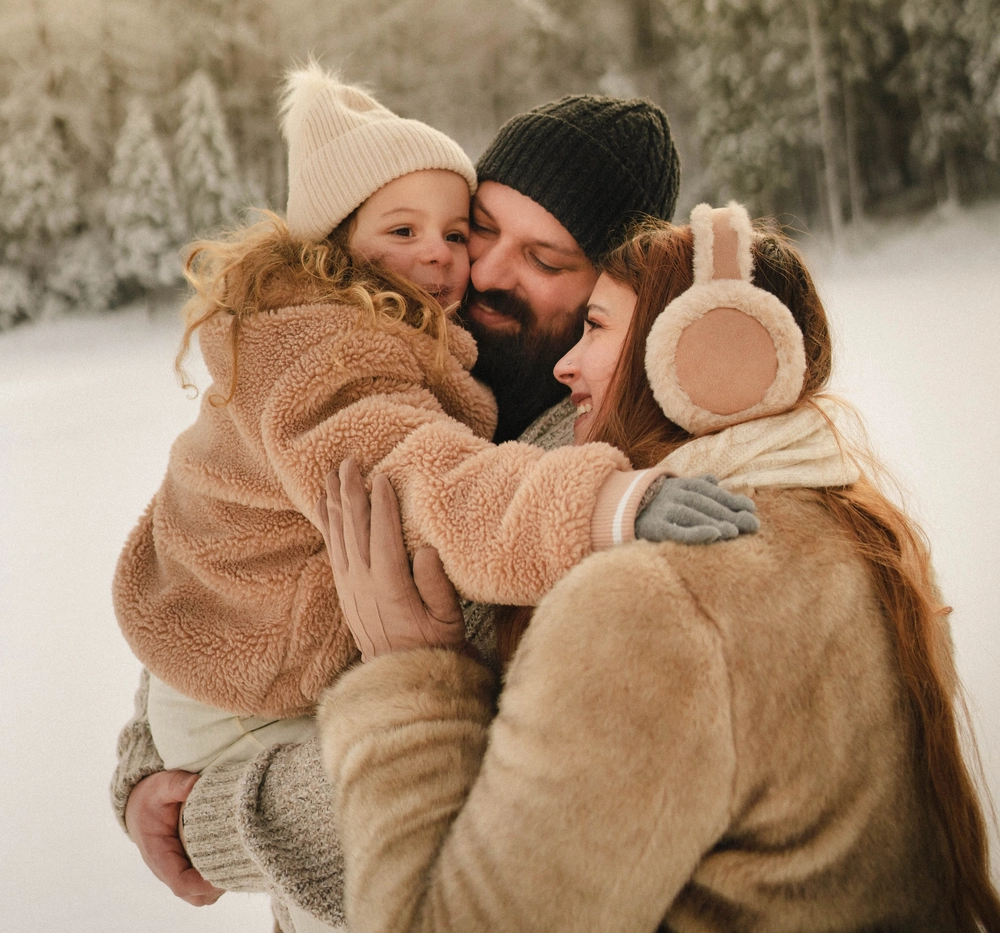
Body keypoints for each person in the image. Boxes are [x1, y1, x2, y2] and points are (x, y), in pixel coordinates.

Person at [112, 83, 753, 930]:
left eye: (545, 260)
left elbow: (505, 809)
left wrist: (207, 821)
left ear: (613, 292)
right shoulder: (384, 343)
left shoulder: (619, 458)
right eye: (481, 228)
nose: (478, 269)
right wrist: (144, 765)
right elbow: (218, 546)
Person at [317, 205, 1000, 933]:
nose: (565, 364)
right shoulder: (864, 540)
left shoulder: (657, 605)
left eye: (598, 327)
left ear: (695, 355)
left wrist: (409, 677)